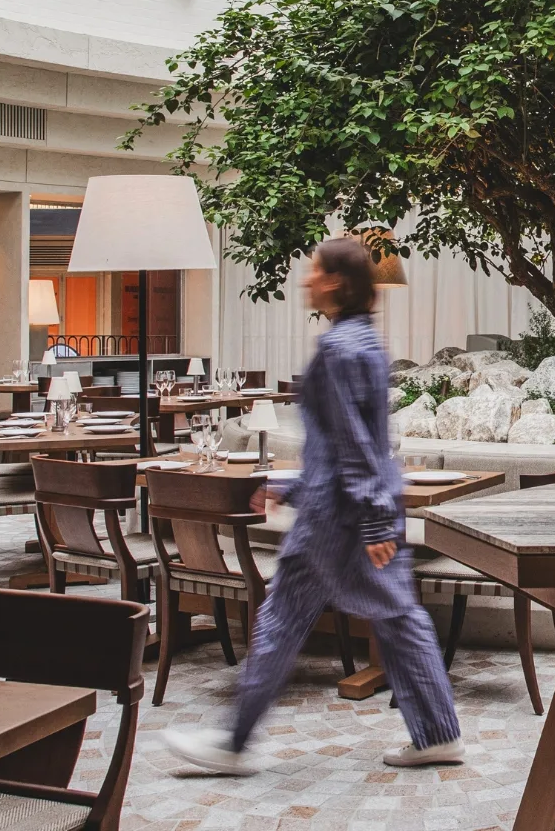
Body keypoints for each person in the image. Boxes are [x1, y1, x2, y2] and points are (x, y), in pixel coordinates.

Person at [162, 235, 462, 774]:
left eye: (313, 270)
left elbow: (353, 442)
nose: (304, 279)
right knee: (398, 619)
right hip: (355, 508)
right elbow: (353, 441)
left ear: (336, 283)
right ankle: (438, 734)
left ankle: (232, 744)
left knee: (283, 622)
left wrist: (369, 522)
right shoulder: (365, 343)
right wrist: (295, 486)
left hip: (337, 520)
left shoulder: (338, 350)